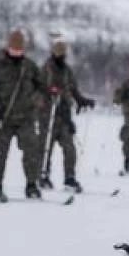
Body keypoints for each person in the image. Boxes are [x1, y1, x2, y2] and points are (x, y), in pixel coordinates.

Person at [0, 29, 46, 202]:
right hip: (2, 118)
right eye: (14, 49)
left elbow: (41, 86)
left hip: (26, 117)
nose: (16, 52)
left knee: (32, 151)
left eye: (19, 50)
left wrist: (38, 97)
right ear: (8, 47)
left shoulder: (29, 67)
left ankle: (32, 185)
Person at [38, 40, 95, 192]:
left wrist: (82, 101)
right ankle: (42, 176)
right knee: (45, 148)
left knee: (70, 148)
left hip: (64, 116)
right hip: (47, 115)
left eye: (63, 54)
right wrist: (49, 92)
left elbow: (73, 90)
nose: (61, 56)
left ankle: (69, 178)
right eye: (59, 53)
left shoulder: (67, 71)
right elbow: (38, 87)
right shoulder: (46, 69)